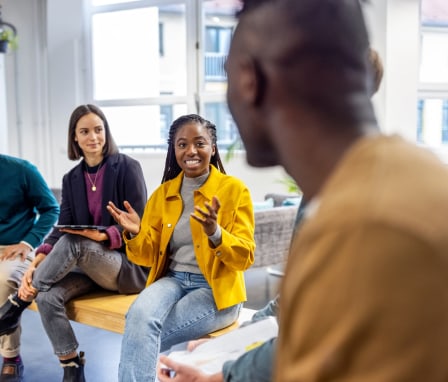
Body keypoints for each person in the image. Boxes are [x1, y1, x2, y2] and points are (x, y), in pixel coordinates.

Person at [159, 0, 448, 381]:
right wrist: (226, 360)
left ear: (250, 81)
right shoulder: (401, 182)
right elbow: (306, 322)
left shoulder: (366, 229)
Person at [157, 40, 386, 382]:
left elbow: (315, 333)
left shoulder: (362, 192)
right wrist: (225, 345)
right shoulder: (321, 185)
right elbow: (293, 302)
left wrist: (220, 375)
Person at [0, 104, 149, 382]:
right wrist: (37, 261)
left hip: (124, 266)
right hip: (86, 267)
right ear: (75, 139)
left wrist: (105, 236)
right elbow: (60, 229)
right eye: (85, 131)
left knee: (75, 243)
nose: (93, 137)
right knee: (46, 295)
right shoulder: (71, 179)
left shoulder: (127, 167)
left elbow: (141, 223)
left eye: (98, 129)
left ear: (106, 132)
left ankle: (16, 303)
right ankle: (71, 367)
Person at [106, 113, 255, 382]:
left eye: (200, 143)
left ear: (213, 147)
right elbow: (146, 256)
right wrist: (136, 233)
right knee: (139, 317)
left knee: (142, 334)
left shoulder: (234, 190)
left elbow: (245, 257)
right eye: (182, 144)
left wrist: (216, 233)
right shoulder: (163, 193)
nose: (191, 151)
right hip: (172, 280)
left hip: (216, 289)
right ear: (173, 150)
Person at [0, 155, 59, 382]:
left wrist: (27, 242)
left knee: (3, 281)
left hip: (17, 248)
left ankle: (10, 357)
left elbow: (50, 209)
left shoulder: (22, 170)